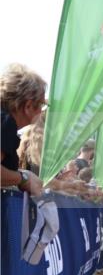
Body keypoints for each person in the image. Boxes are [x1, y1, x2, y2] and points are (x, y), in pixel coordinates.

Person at [0, 64, 46, 197]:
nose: (42, 110)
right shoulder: (6, 122)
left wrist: (23, 175)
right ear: (28, 106)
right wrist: (23, 178)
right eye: (42, 104)